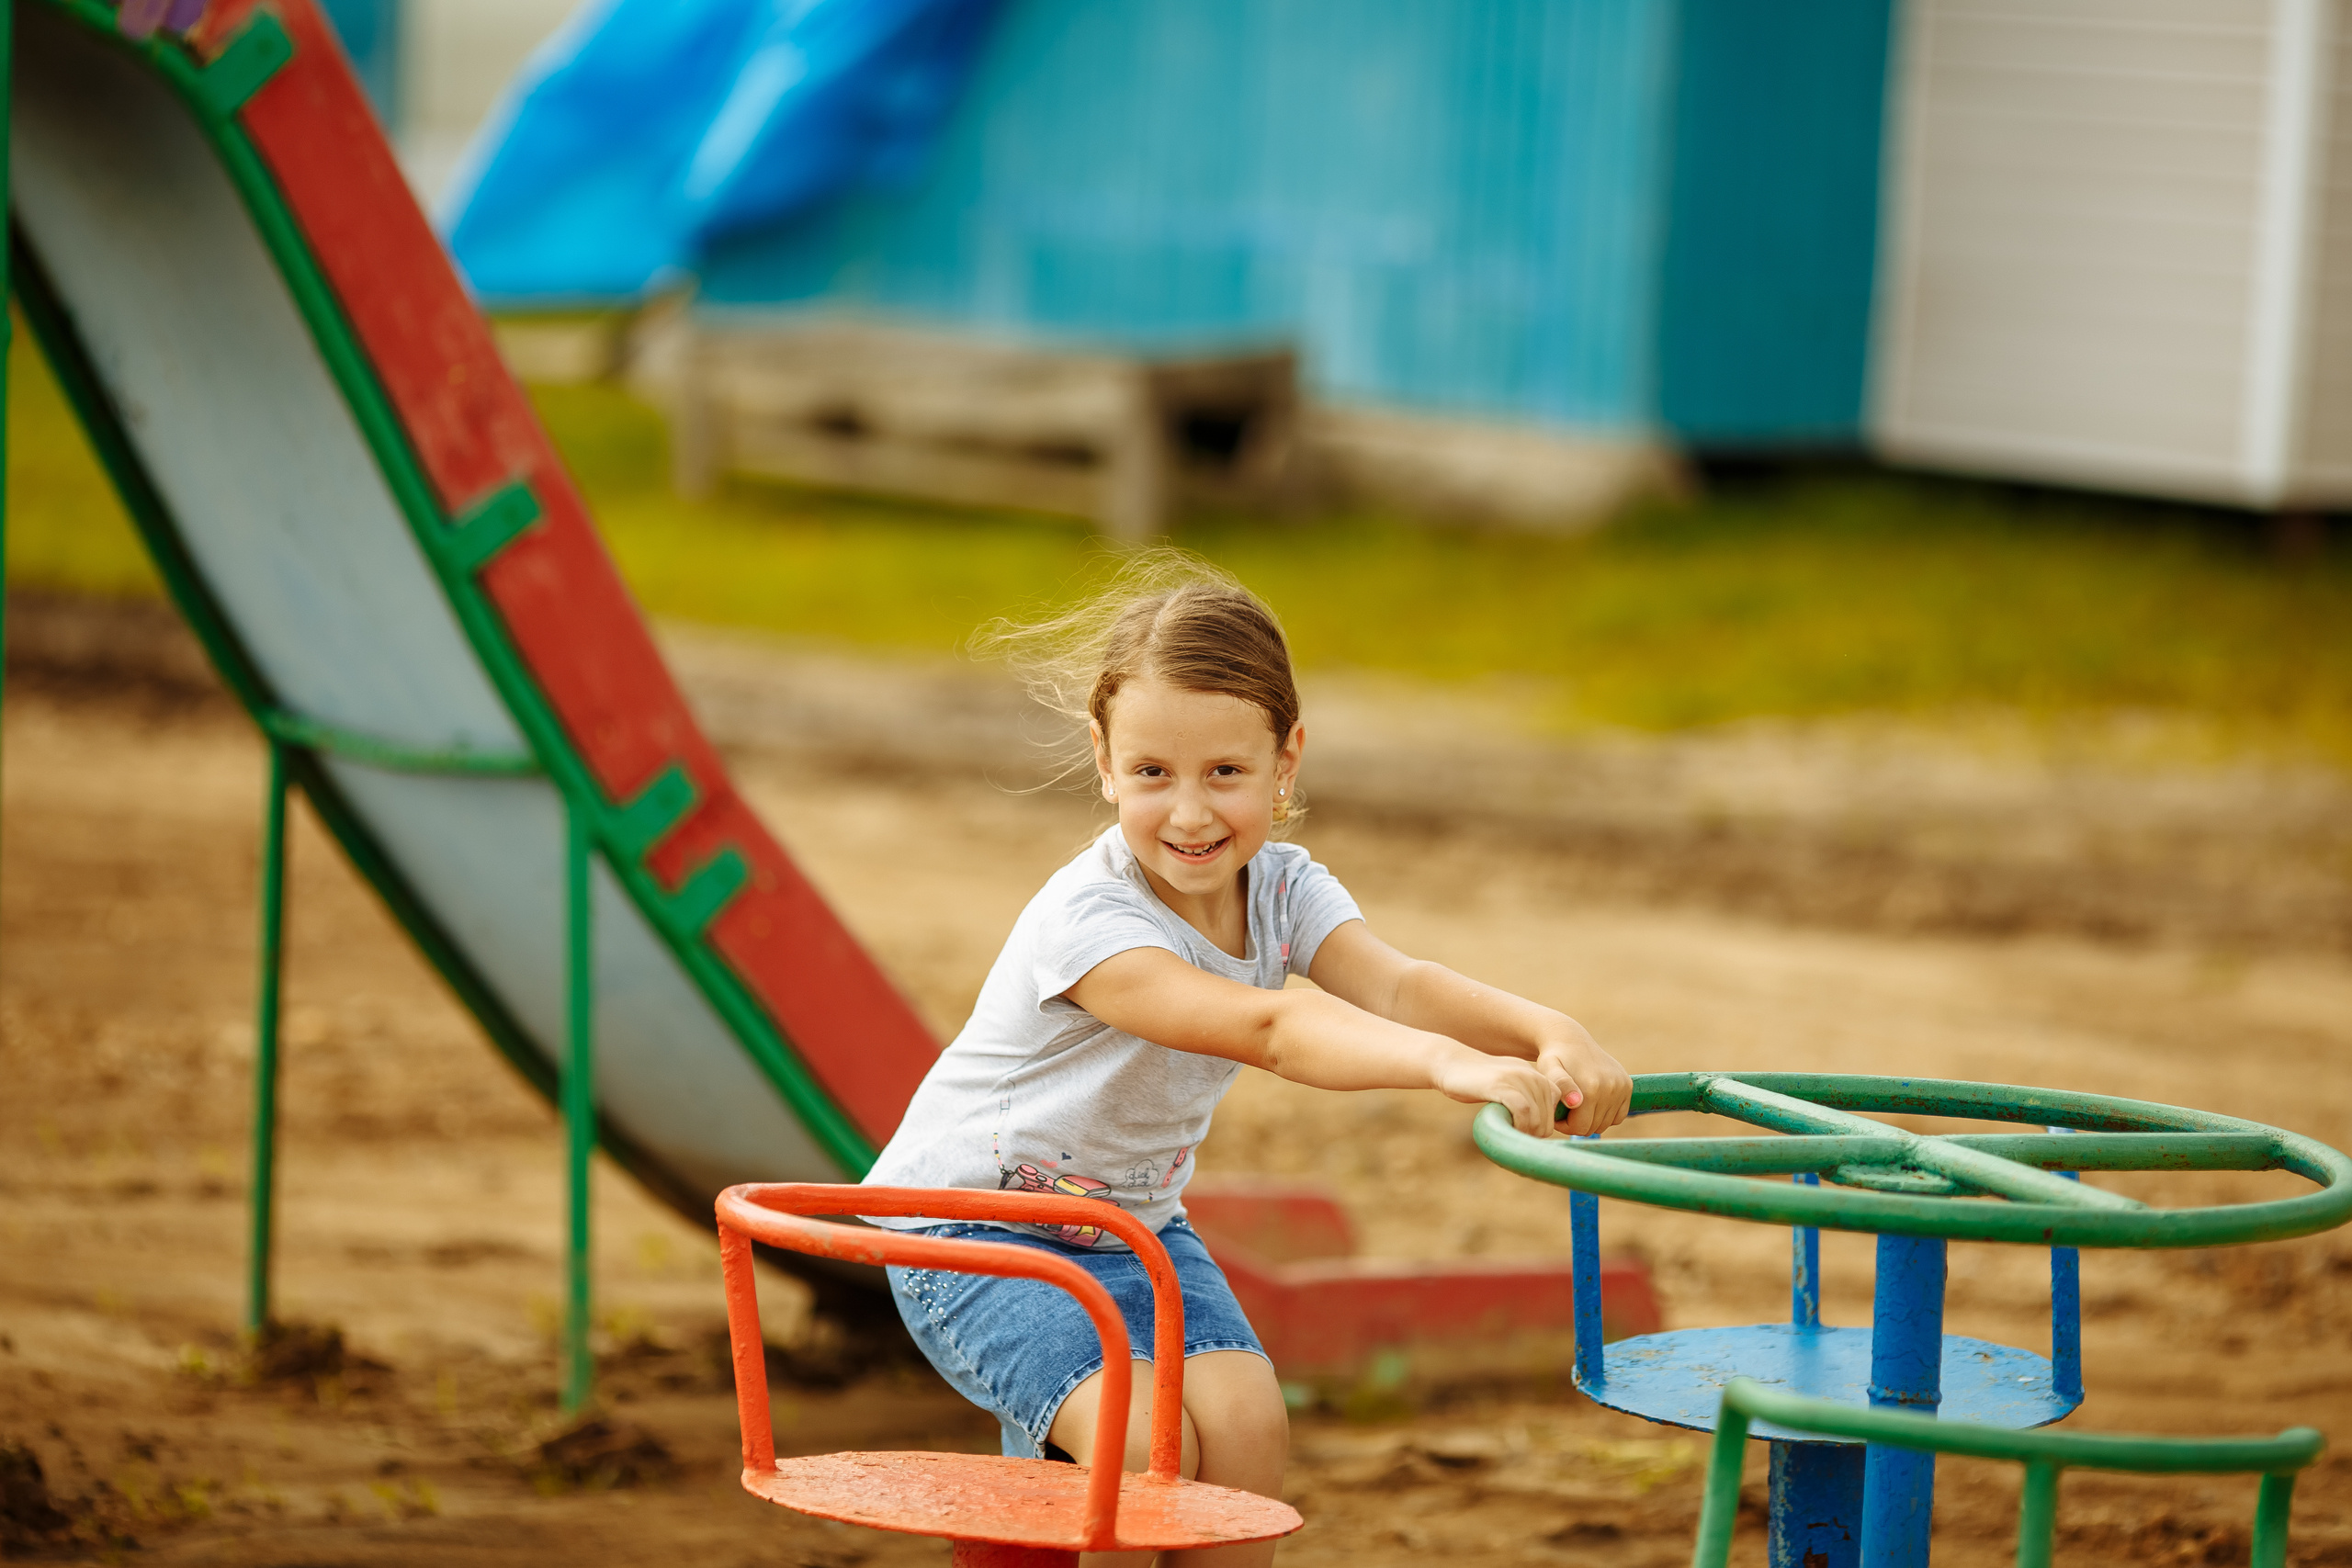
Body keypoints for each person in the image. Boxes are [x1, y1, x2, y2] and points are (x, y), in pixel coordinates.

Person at [862, 551, 1630, 1565]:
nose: (1189, 814)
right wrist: (1449, 1066)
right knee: (1144, 1446)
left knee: (1251, 1430)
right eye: (1151, 774)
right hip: (971, 1237)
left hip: (1129, 1227)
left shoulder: (1283, 887)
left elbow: (1394, 982)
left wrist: (1543, 1029)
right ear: (1103, 759)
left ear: (1287, 760)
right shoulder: (1087, 922)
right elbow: (1271, 1028)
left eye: (1225, 773)